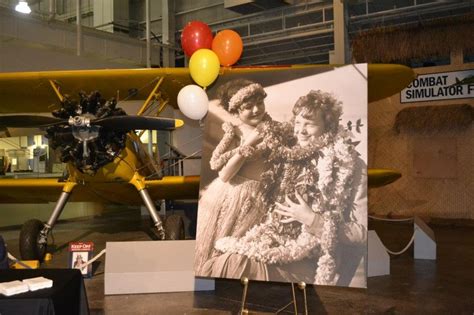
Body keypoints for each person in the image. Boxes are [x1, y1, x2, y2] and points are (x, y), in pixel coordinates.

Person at [210, 90, 366, 286]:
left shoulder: (349, 164)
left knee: (238, 264)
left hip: (312, 256)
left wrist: (312, 219)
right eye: (298, 123)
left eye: (309, 124)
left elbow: (362, 234)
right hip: (273, 241)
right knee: (224, 261)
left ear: (328, 127)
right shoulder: (291, 156)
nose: (300, 130)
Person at [194, 79, 284, 275]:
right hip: (231, 195)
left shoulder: (276, 129)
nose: (256, 110)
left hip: (261, 197)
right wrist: (250, 142)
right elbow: (225, 174)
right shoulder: (234, 133)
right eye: (248, 107)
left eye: (259, 103)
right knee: (218, 246)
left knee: (248, 252)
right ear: (235, 111)